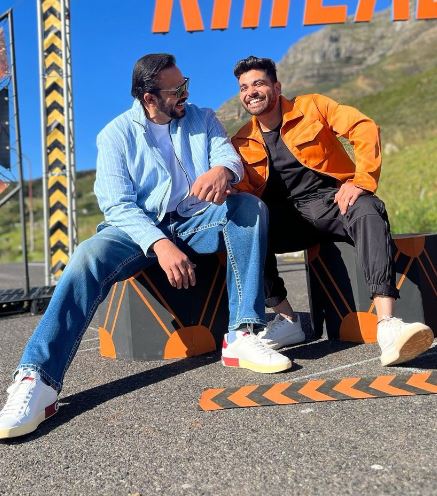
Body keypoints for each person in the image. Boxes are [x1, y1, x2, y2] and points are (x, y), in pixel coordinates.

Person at [0, 54, 292, 440]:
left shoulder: (203, 117)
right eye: (177, 90)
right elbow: (117, 205)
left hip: (196, 220)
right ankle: (37, 379)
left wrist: (223, 170)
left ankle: (242, 335)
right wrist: (159, 243)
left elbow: (228, 158)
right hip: (136, 228)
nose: (185, 93)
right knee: (87, 256)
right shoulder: (115, 135)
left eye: (185, 84)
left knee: (249, 209)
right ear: (149, 98)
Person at [231, 55, 434, 364]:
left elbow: (364, 127)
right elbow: (244, 193)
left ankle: (387, 325)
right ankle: (287, 320)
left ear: (277, 86)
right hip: (286, 221)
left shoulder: (312, 106)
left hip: (331, 202)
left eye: (258, 83)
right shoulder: (242, 140)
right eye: (244, 87)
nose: (251, 92)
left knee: (368, 208)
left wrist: (361, 180)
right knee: (247, 230)